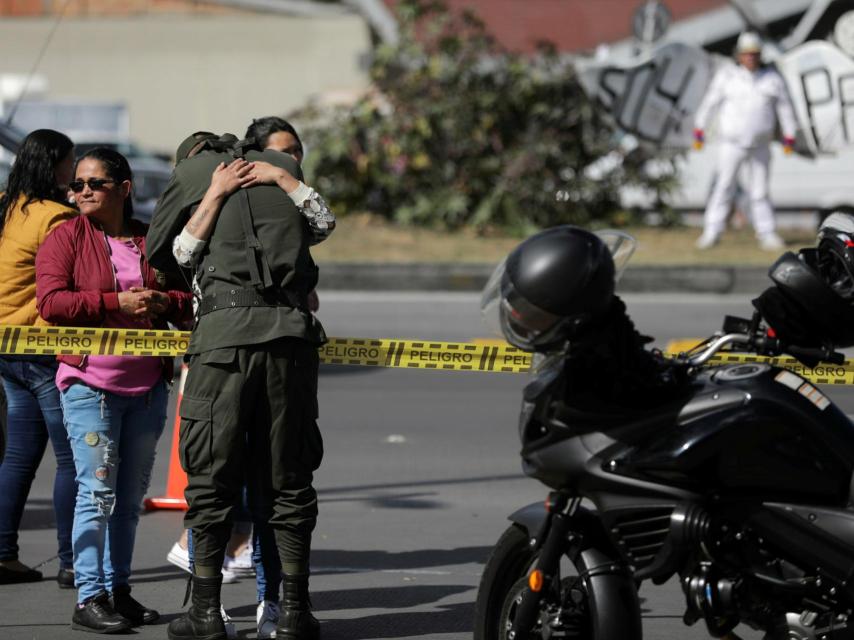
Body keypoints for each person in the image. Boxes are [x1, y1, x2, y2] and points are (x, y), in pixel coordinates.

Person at [146, 125, 331, 640]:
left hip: (223, 345)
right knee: (289, 478)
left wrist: (210, 203)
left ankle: (206, 613)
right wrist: (282, 180)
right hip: (289, 342)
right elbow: (320, 227)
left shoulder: (193, 173)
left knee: (211, 479)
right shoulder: (284, 169)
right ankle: (293, 612)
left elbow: (163, 254)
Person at [35, 148, 194, 633]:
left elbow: (187, 299)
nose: (82, 191)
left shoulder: (151, 239)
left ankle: (117, 589)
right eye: (77, 184)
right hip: (90, 387)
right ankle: (89, 597)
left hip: (146, 389)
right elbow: (51, 302)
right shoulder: (65, 237)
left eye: (95, 184)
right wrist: (115, 301)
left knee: (128, 501)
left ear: (124, 189)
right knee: (97, 494)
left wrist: (162, 301)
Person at [0, 129, 77, 588]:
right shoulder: (56, 217)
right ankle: (73, 562)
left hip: (6, 348)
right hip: (42, 348)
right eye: (71, 161)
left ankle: (3, 555)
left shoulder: (5, 205)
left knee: (17, 456)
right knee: (71, 458)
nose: (75, 169)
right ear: (55, 165)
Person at [693, 31, 798, 251]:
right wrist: (700, 128)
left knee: (760, 190)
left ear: (760, 55)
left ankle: (767, 233)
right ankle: (712, 231)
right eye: (747, 53)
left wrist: (790, 134)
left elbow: (785, 107)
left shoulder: (772, 78)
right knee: (724, 186)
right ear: (739, 55)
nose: (750, 57)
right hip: (731, 143)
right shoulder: (727, 76)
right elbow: (710, 103)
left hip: (761, 144)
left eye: (754, 53)